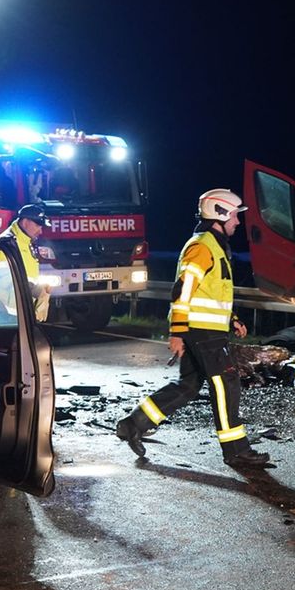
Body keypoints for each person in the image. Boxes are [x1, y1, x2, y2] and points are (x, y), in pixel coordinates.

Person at [116, 189, 273, 469]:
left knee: (188, 386)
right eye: (236, 215)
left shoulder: (213, 244)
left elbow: (213, 292)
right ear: (220, 214)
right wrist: (176, 331)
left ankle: (133, 424)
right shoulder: (202, 246)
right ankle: (236, 451)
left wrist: (232, 318)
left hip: (207, 329)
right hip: (202, 332)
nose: (238, 221)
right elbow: (182, 291)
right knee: (226, 385)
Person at [0, 204, 51, 322]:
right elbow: (1, 279)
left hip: (22, 312)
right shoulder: (6, 244)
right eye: (37, 226)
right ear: (25, 222)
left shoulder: (25, 241)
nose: (40, 231)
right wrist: (33, 287)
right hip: (9, 316)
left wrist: (39, 287)